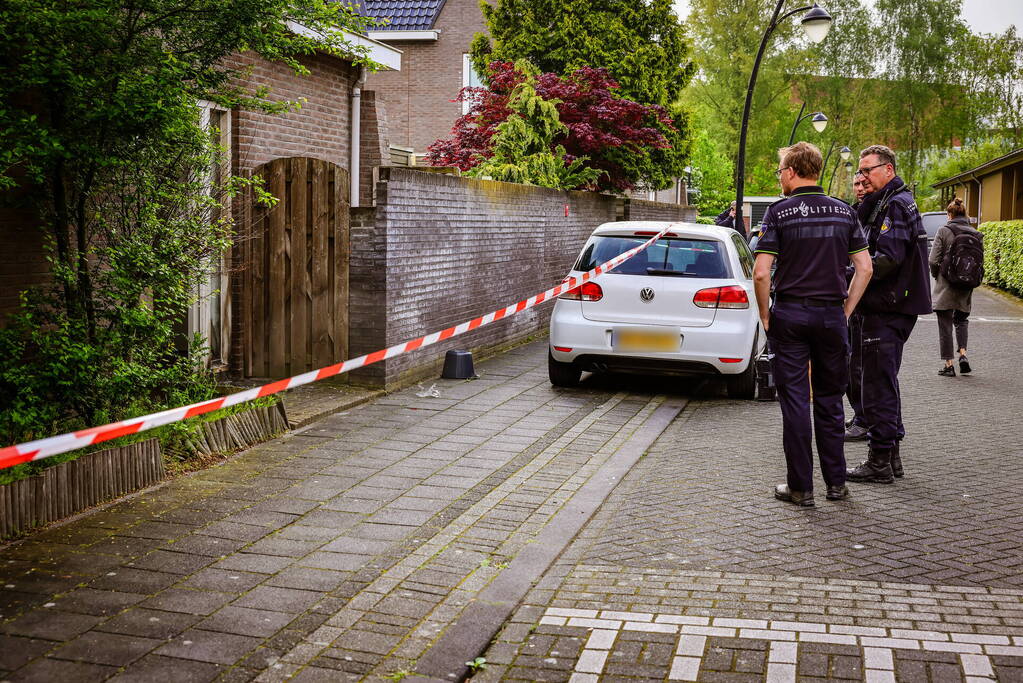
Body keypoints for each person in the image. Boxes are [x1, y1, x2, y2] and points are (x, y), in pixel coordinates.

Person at [753, 142, 873, 507]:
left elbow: (761, 273)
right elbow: (865, 268)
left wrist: (764, 315)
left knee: (794, 402)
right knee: (830, 399)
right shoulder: (844, 212)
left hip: (790, 315)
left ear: (790, 172)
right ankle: (836, 483)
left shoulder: (779, 213)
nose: (780, 178)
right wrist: (846, 309)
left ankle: (801, 488)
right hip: (830, 317)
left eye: (780, 172)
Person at [846, 145, 932, 484]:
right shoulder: (893, 200)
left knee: (876, 385)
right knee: (884, 381)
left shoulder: (894, 204)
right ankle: (891, 456)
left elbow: (886, 258)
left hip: (886, 307)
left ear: (888, 169)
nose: (863, 177)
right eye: (861, 171)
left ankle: (879, 460)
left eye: (868, 170)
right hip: (894, 306)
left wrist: (850, 277)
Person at [929, 197, 983, 377]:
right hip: (966, 285)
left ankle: (949, 365)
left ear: (949, 214)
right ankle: (963, 354)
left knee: (945, 324)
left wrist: (937, 275)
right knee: (961, 320)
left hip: (946, 285)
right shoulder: (975, 234)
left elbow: (933, 259)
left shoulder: (944, 230)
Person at [844, 176, 872, 442]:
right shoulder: (856, 212)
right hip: (856, 301)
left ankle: (864, 420)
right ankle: (860, 414)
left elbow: (869, 263)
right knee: (853, 364)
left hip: (866, 303)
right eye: (857, 185)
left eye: (865, 184)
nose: (860, 189)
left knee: (859, 367)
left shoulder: (876, 212)